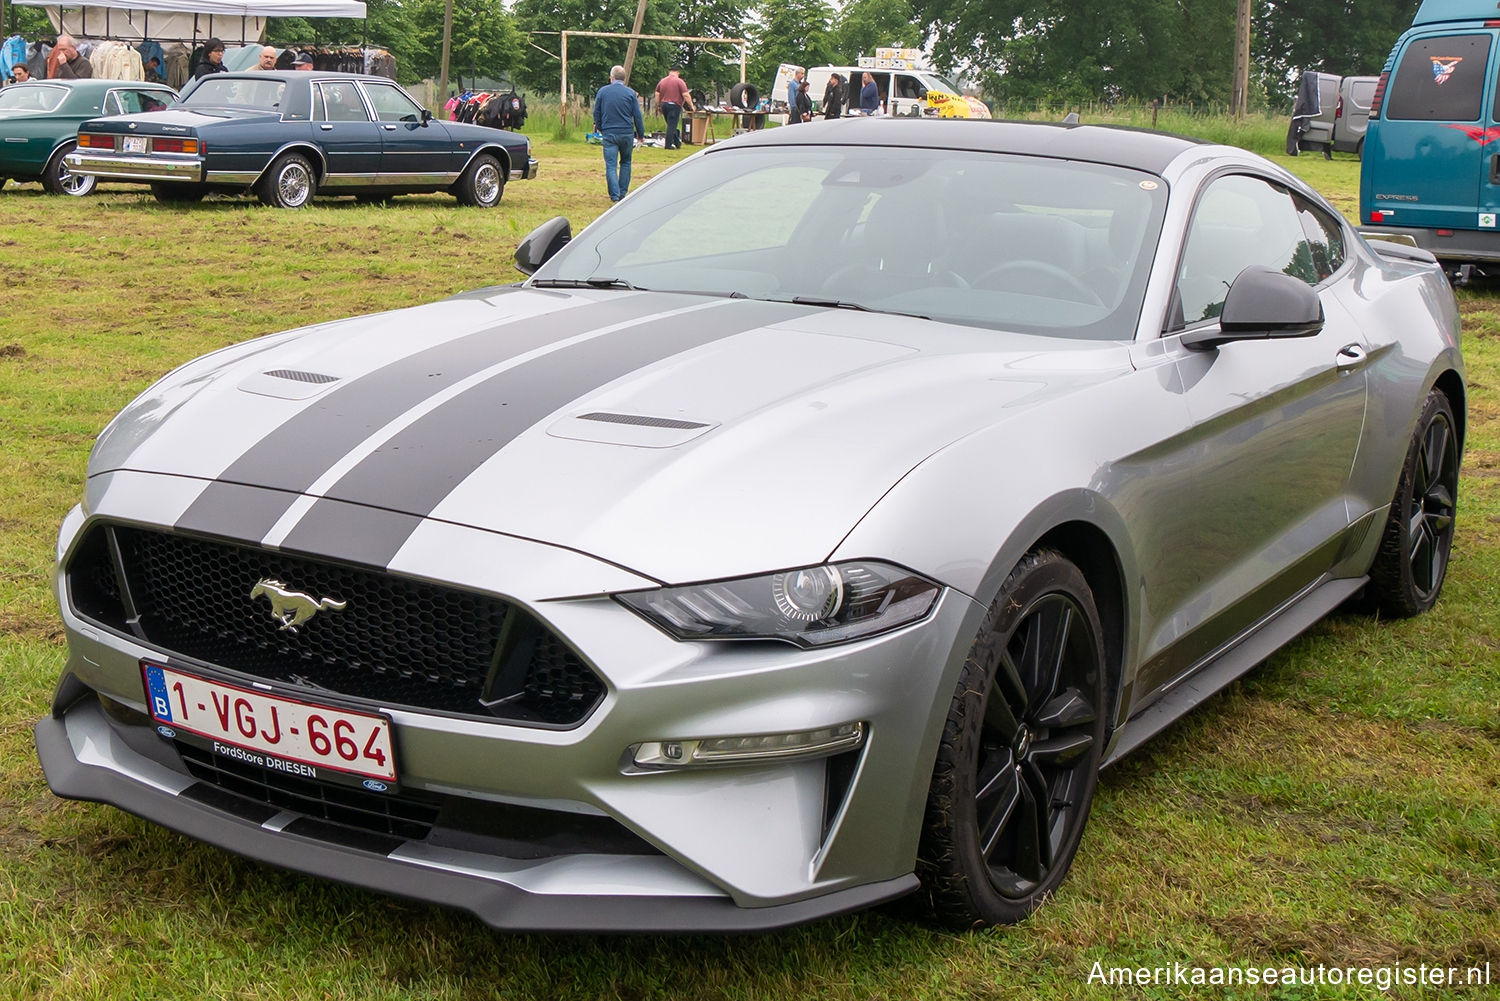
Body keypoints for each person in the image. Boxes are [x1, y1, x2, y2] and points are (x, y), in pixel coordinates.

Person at [593, 64, 644, 202]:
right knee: (626, 162)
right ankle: (622, 194)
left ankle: (614, 195)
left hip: (609, 132)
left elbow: (596, 112)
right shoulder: (630, 93)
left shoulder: (603, 92)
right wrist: (640, 134)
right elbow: (637, 115)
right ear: (624, 78)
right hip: (627, 133)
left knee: (611, 164)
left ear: (611, 78)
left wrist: (600, 127)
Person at [654, 67, 694, 150]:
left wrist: (658, 105)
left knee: (671, 125)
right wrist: (691, 106)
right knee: (671, 126)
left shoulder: (662, 81)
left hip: (664, 105)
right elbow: (686, 95)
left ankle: (677, 143)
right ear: (677, 72)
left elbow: (657, 94)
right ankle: (668, 145)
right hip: (674, 105)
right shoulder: (679, 81)